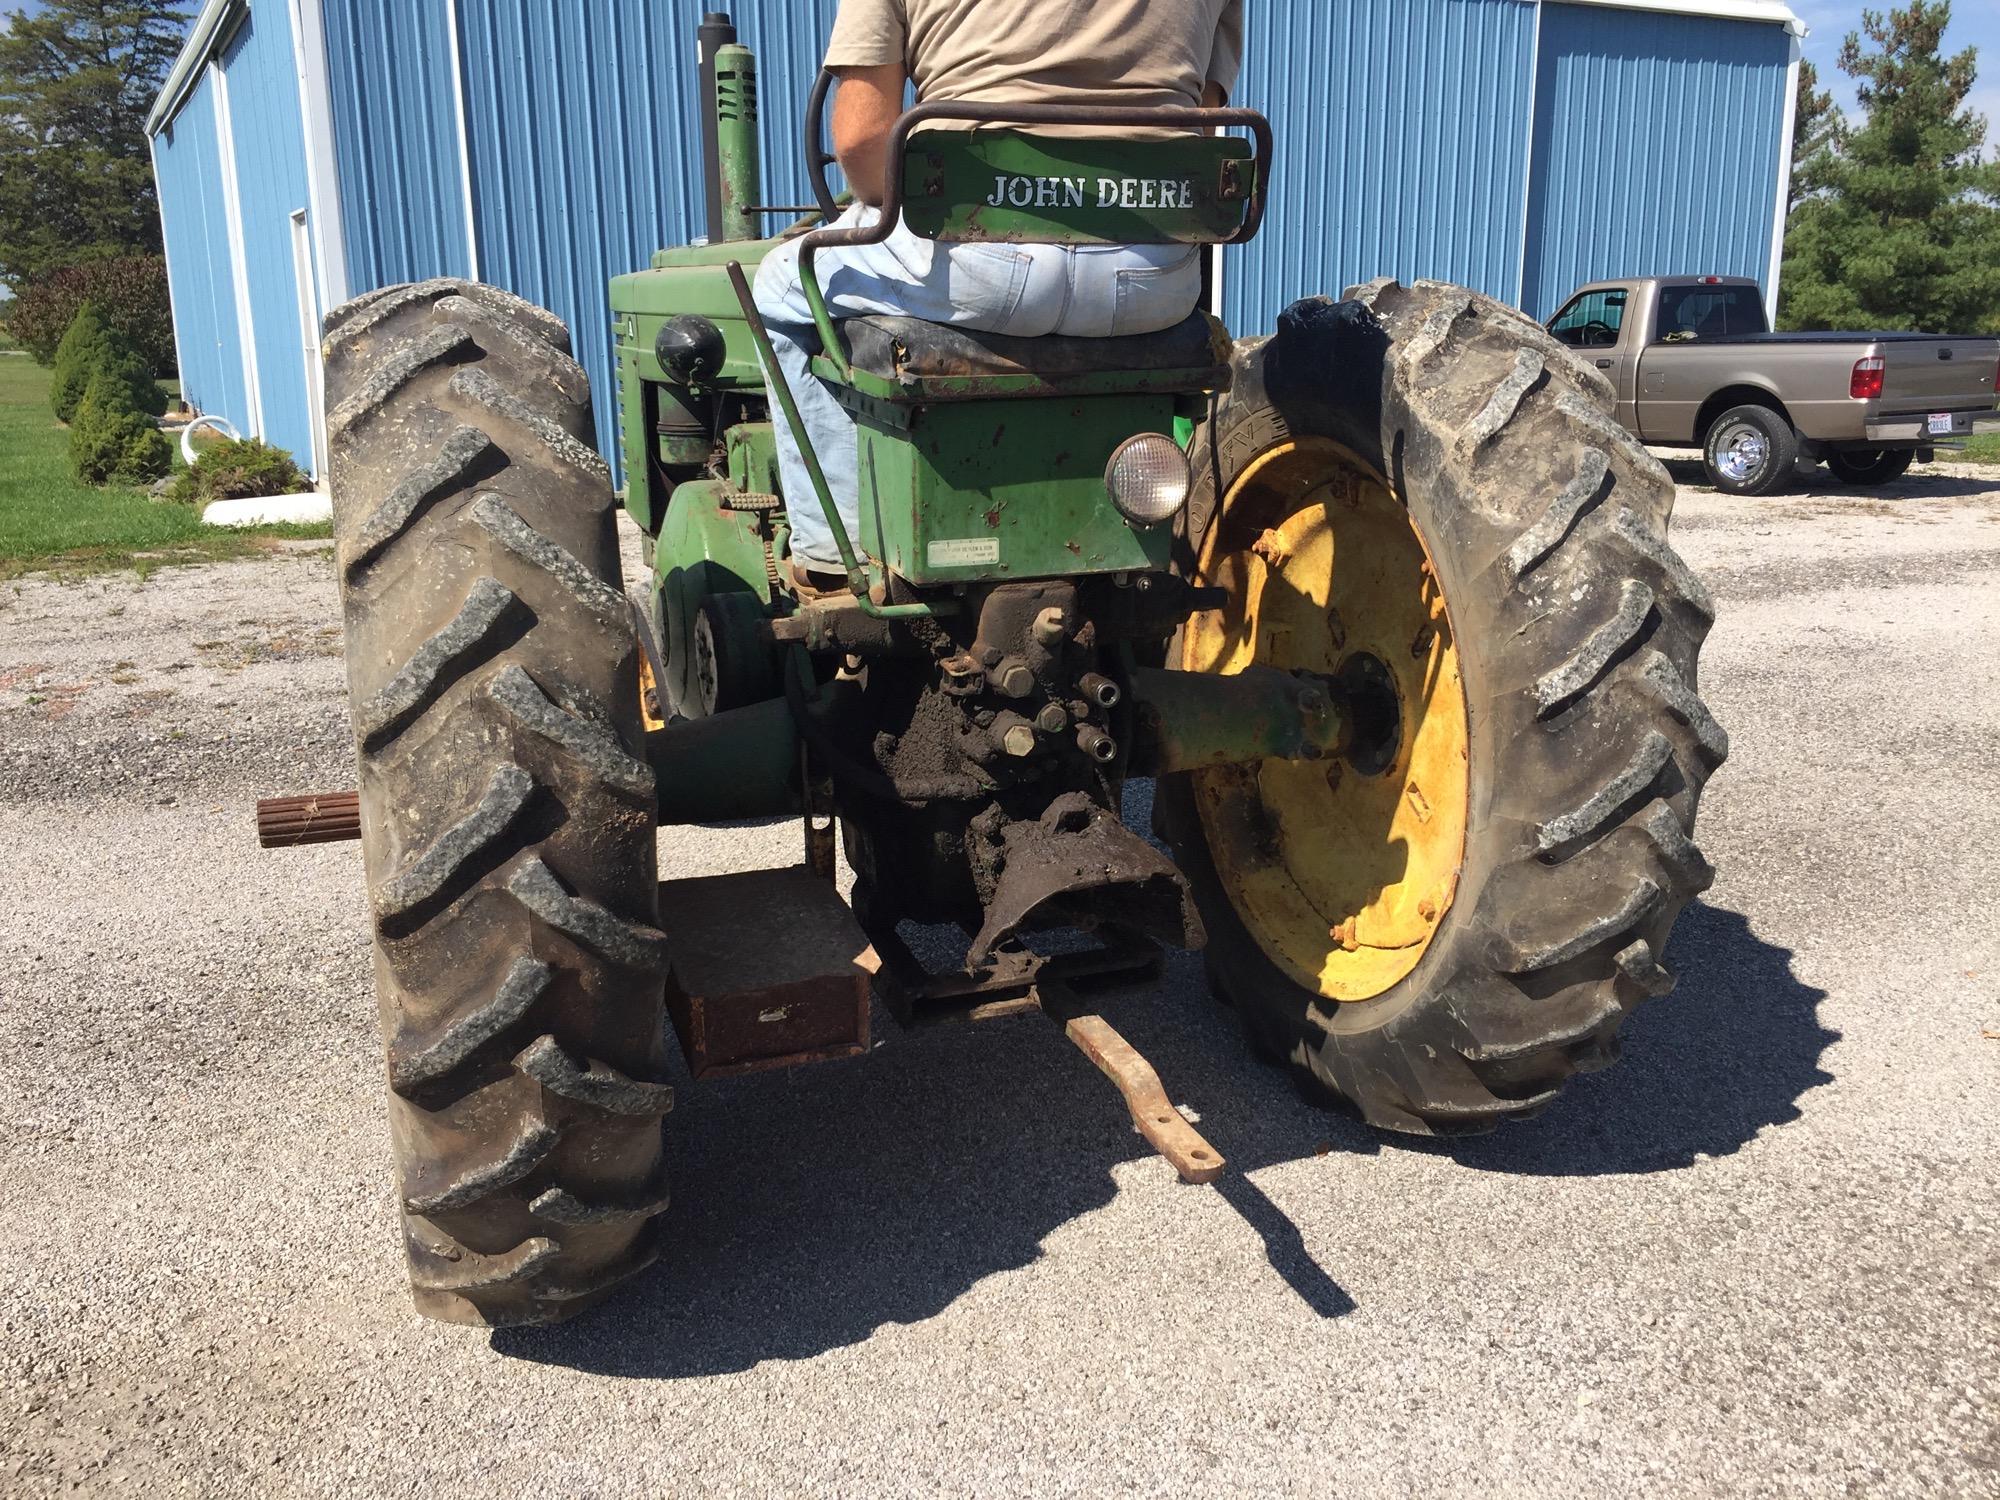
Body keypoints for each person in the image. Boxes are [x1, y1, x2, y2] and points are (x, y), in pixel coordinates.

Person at [753, 0, 1244, 580]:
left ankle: (836, 557)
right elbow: (1205, 127)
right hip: (1148, 280)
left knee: (782, 281)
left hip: (980, 262)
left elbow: (861, 142)